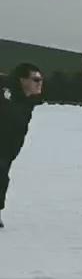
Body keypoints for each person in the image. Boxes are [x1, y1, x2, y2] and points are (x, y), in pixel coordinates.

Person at [0, 63, 43, 229]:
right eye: (36, 79)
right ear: (22, 80)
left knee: (2, 177)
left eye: (41, 79)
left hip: (8, 148)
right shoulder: (6, 94)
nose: (39, 83)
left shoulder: (28, 99)